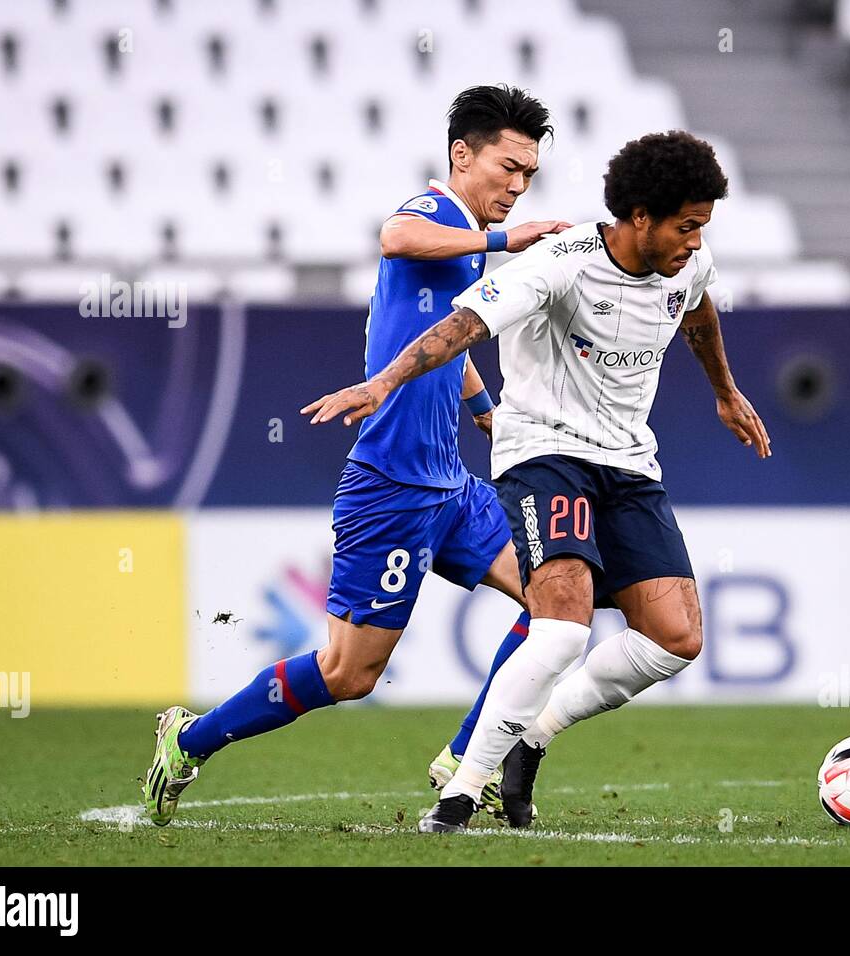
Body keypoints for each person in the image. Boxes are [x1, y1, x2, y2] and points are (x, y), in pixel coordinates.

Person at [303, 130, 772, 833]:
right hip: (544, 454)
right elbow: (462, 324)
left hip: (628, 462)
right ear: (639, 216)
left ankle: (534, 734)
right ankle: (459, 794)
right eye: (686, 226)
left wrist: (725, 392)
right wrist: (385, 380)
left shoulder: (689, 265)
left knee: (675, 640)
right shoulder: (561, 262)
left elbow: (699, 313)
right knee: (559, 634)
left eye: (703, 228)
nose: (695, 243)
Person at [143, 85, 569, 825]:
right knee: (349, 673)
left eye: (528, 174)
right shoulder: (440, 214)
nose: (517, 186)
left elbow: (448, 338)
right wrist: (508, 240)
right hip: (392, 489)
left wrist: (486, 415)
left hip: (452, 487)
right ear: (462, 156)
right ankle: (189, 740)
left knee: (556, 605)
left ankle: (468, 757)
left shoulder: (464, 246)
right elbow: (395, 235)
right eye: (507, 166)